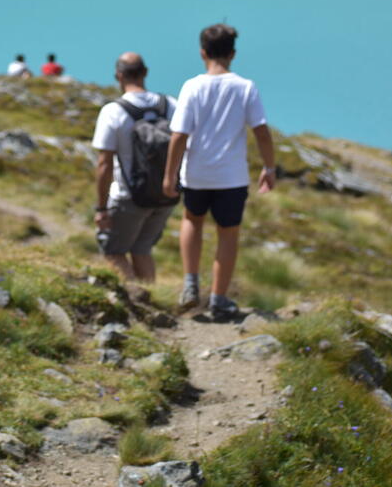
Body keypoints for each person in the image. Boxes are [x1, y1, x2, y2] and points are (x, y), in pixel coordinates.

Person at [163, 23, 275, 319]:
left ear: (202, 52)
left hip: (196, 173)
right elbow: (261, 132)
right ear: (233, 54)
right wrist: (269, 167)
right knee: (228, 233)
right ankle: (219, 298)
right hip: (231, 177)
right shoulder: (245, 87)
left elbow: (179, 135)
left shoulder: (192, 86)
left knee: (192, 220)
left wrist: (169, 175)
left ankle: (190, 284)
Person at [92, 52, 177, 282]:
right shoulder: (170, 105)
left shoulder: (113, 111)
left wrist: (101, 208)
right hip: (167, 193)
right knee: (142, 249)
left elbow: (104, 163)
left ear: (118, 75)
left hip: (129, 197)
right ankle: (153, 302)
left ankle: (137, 299)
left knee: (113, 251)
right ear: (145, 73)